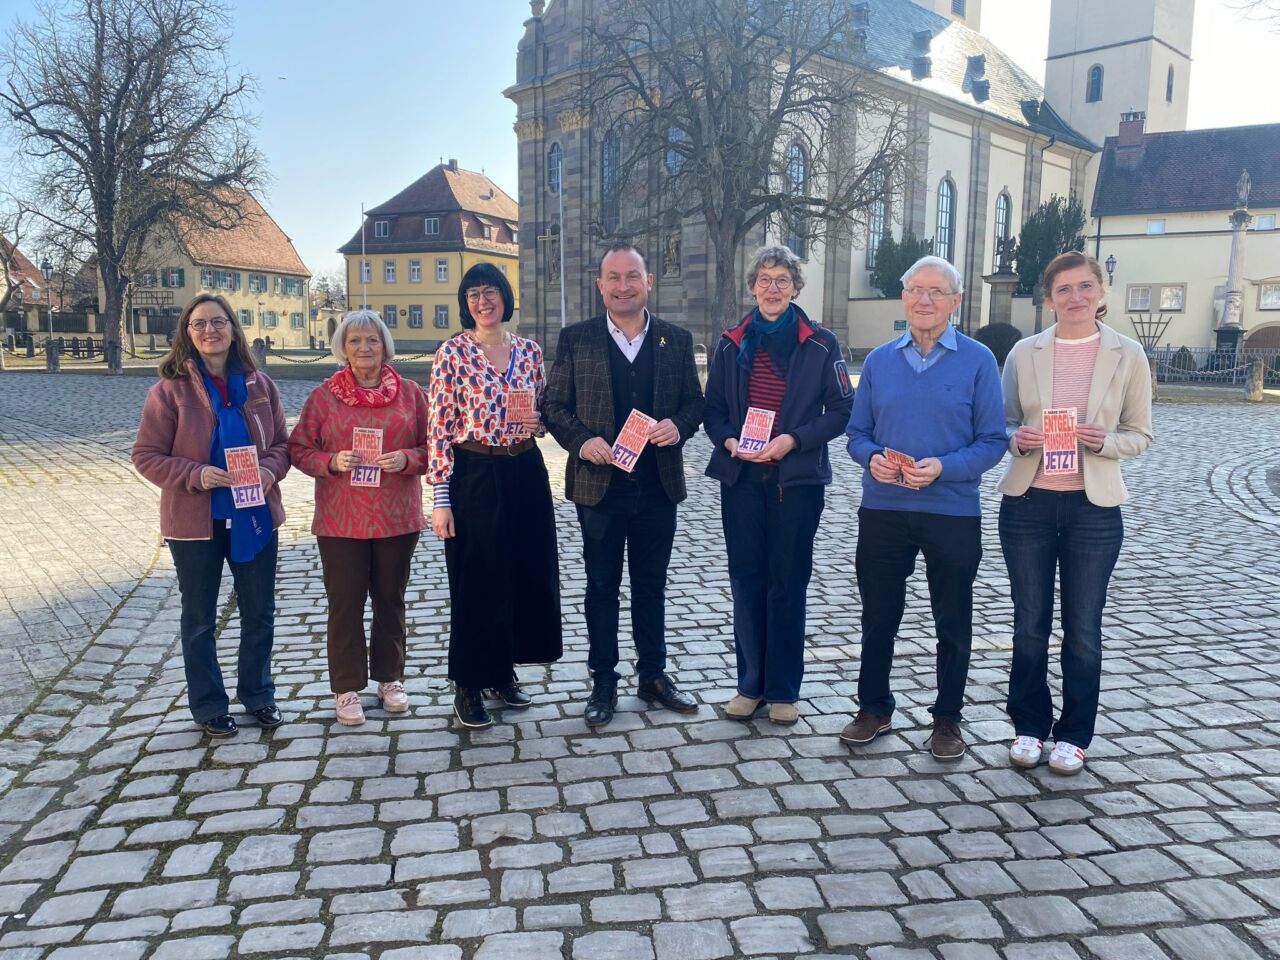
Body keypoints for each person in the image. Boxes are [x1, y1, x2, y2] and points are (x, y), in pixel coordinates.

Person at [843, 255, 1007, 760]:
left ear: (956, 301)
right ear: (903, 297)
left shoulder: (978, 360)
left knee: (953, 621)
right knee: (879, 616)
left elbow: (993, 441)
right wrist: (871, 459)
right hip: (884, 510)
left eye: (937, 291)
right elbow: (856, 434)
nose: (925, 300)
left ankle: (947, 719)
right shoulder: (878, 361)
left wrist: (943, 467)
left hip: (952, 512)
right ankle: (873, 707)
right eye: (916, 290)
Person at [998, 251, 1153, 775]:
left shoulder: (1127, 354)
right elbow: (1003, 424)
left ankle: (1075, 733)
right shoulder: (1024, 352)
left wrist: (1104, 442)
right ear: (1048, 298)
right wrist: (1016, 440)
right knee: (1028, 623)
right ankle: (1028, 725)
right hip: (1028, 504)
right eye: (1063, 289)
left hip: (1094, 507)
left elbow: (1140, 435)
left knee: (1083, 626)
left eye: (1086, 287)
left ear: (1102, 292)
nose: (1075, 298)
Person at [544, 243, 705, 728]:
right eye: (613, 278)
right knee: (601, 587)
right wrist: (582, 440)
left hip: (657, 484)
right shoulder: (578, 339)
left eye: (632, 276)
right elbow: (554, 406)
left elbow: (694, 405)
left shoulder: (675, 340)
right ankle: (603, 681)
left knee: (651, 585)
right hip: (600, 485)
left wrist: (678, 426)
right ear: (600, 285)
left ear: (648, 281)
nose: (623, 286)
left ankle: (653, 675)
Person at [703, 245, 854, 726]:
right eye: (764, 279)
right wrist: (728, 439)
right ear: (752, 286)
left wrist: (794, 439)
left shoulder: (822, 343)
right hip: (743, 477)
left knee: (787, 583)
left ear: (794, 287)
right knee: (747, 580)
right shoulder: (730, 342)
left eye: (782, 280)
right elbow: (714, 411)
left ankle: (783, 688)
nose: (772, 287)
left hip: (796, 480)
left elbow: (842, 411)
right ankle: (750, 684)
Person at [132, 293, 289, 738]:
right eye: (198, 324)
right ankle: (208, 705)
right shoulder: (169, 390)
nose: (209, 331)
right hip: (195, 524)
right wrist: (198, 475)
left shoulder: (260, 385)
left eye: (218, 322)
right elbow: (145, 456)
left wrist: (267, 470)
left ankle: (258, 695)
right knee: (199, 618)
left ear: (232, 329)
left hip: (254, 516)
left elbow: (282, 445)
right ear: (187, 333)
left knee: (259, 611)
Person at [428, 262, 562, 729]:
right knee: (477, 579)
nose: (483, 301)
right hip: (474, 471)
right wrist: (441, 498)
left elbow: (542, 410)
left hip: (524, 467)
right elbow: (439, 427)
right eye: (473, 295)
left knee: (524, 573)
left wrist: (538, 423)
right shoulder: (452, 354)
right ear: (465, 304)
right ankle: (467, 683)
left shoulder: (529, 351)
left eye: (490, 292)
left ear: (505, 297)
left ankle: (500, 672)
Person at [288, 310, 429, 726]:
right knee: (345, 604)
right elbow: (298, 450)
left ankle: (390, 678)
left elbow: (435, 446)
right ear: (342, 348)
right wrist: (330, 461)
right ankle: (346, 686)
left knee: (391, 600)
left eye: (372, 340)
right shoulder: (323, 397)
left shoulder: (411, 394)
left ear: (385, 345)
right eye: (355, 341)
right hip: (340, 520)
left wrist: (407, 458)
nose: (364, 348)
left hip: (395, 517)